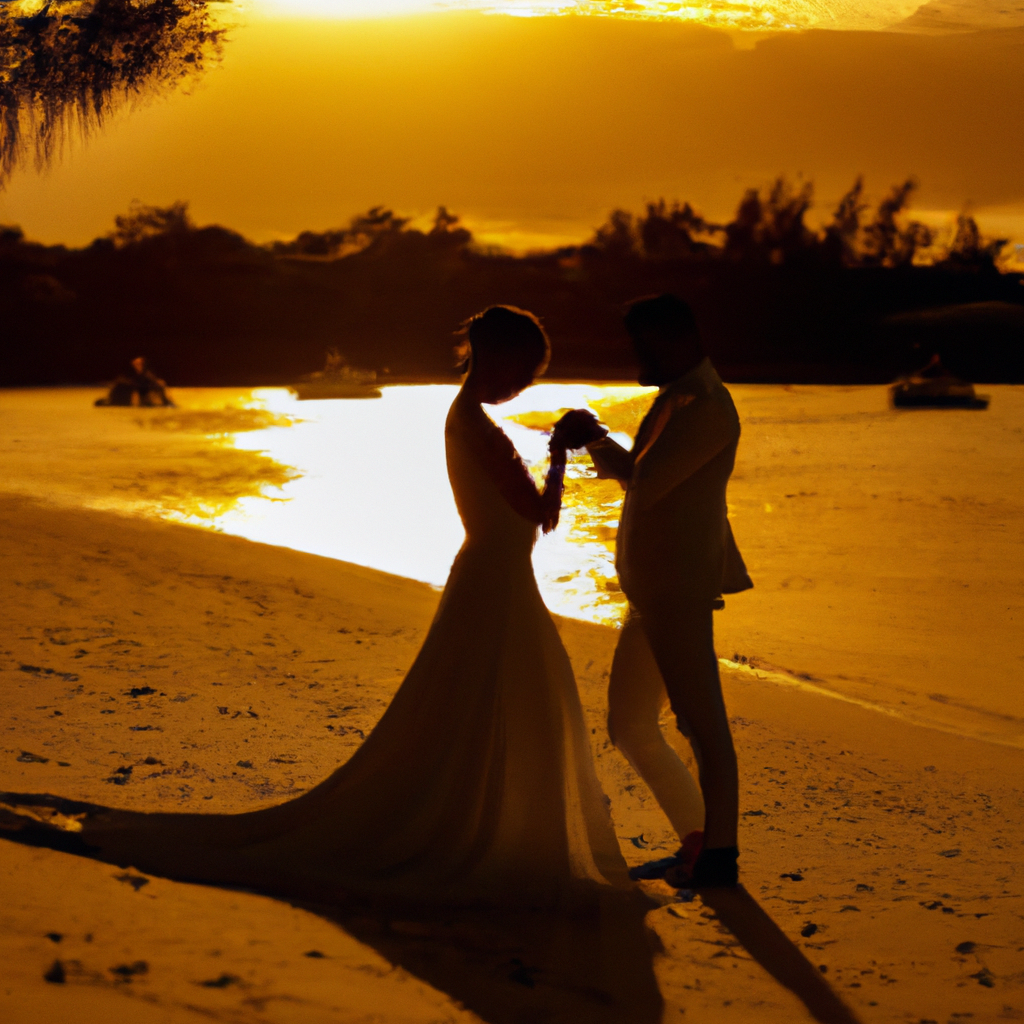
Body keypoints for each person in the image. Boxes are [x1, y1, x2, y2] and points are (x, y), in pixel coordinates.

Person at [2, 306, 628, 909]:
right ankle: (481, 830)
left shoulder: (470, 419)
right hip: (495, 583)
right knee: (489, 703)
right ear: (496, 358)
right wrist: (559, 450)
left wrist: (556, 447)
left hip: (496, 579)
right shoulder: (473, 423)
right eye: (523, 372)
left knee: (487, 705)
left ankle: (491, 827)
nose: (523, 386)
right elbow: (542, 515)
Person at [554, 294, 752, 889]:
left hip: (679, 589)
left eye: (643, 345)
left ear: (675, 340)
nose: (634, 356)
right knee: (630, 724)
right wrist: (595, 439)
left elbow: (647, 480)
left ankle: (719, 854)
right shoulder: (676, 401)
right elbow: (643, 479)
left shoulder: (709, 408)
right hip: (652, 593)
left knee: (701, 723)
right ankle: (698, 837)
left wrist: (593, 437)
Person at [95, 356, 175, 407]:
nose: (138, 365)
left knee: (160, 384)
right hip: (129, 390)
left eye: (140, 364)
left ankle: (166, 401)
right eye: (136, 364)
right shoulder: (129, 372)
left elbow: (152, 380)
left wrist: (158, 382)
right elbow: (122, 380)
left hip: (142, 389)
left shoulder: (146, 372)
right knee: (129, 388)